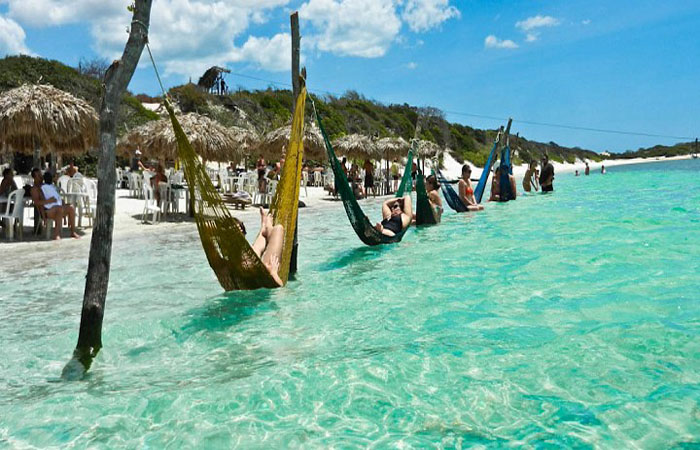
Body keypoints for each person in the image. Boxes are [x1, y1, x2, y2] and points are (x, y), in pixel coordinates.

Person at [30, 168, 79, 240]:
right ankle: (56, 234)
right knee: (59, 209)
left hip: (55, 207)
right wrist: (49, 201)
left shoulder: (46, 186)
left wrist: (60, 200)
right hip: (47, 211)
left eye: (41, 174)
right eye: (38, 175)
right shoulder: (34, 189)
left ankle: (73, 232)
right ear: (34, 177)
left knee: (71, 207)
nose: (41, 176)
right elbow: (37, 202)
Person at [251, 207, 285, 287]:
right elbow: (281, 289)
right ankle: (267, 227)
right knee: (278, 229)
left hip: (258, 272)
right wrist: (273, 273)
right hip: (265, 275)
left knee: (254, 251)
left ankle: (264, 227)